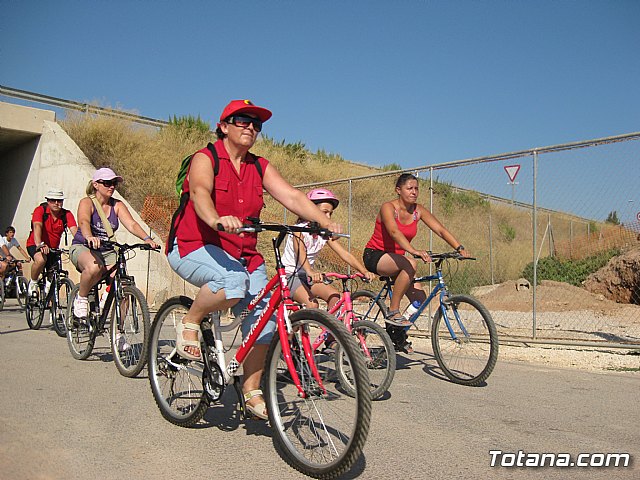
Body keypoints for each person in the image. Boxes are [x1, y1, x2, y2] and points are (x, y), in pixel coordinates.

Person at [167, 99, 341, 420]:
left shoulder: (259, 166)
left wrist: (325, 221)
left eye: (256, 124)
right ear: (223, 126)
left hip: (243, 254)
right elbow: (201, 192)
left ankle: (250, 390)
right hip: (192, 245)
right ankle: (191, 322)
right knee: (233, 284)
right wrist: (217, 218)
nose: (250, 127)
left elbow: (291, 196)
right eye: (242, 120)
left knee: (265, 320)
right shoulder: (205, 159)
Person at [363, 173, 469, 352]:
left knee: (420, 298)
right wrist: (412, 251)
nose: (414, 192)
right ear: (398, 190)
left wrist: (459, 248)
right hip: (376, 255)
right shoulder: (388, 207)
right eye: (409, 188)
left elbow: (440, 230)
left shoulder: (418, 210)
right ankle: (393, 311)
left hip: (398, 260)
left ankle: (396, 334)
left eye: (416, 188)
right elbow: (394, 232)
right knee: (411, 263)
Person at [69, 167, 159, 327]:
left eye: (114, 183)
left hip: (107, 251)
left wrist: (147, 239)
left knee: (124, 288)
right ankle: (81, 298)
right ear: (96, 184)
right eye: (108, 183)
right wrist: (89, 236)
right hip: (83, 247)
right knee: (93, 267)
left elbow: (131, 224)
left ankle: (119, 334)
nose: (112, 186)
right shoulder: (87, 202)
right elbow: (83, 220)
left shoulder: (117, 205)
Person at [281, 188, 375, 323]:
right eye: (324, 212)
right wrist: (310, 271)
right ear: (310, 210)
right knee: (312, 305)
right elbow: (300, 251)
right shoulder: (299, 229)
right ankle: (287, 338)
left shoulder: (323, 233)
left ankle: (331, 338)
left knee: (335, 297)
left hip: (306, 276)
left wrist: (363, 271)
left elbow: (344, 254)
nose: (328, 217)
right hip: (289, 275)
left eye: (330, 213)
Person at [26, 189, 78, 295]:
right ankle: (33, 282)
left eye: (59, 201)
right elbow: (37, 226)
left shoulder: (66, 214)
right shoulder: (40, 210)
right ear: (48, 201)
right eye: (53, 200)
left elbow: (75, 230)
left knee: (55, 271)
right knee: (40, 260)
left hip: (53, 248)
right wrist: (40, 244)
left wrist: (81, 244)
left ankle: (49, 295)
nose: (56, 203)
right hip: (35, 244)